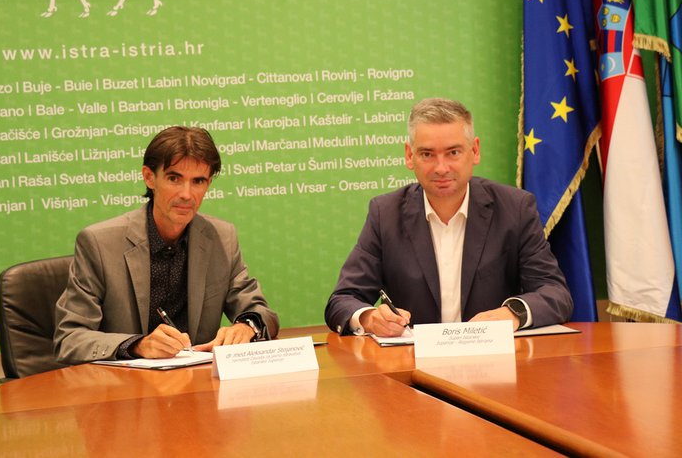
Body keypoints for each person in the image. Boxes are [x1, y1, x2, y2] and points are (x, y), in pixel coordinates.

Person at [325, 98, 572, 337]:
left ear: (474, 151)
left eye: (453, 152)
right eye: (427, 154)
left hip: (495, 358)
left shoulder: (515, 208)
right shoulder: (385, 214)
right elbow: (342, 299)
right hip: (413, 361)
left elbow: (555, 293)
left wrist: (513, 314)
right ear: (409, 155)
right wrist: (370, 318)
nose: (441, 168)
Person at [55, 126, 279, 364]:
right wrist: (138, 345)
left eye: (198, 181)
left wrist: (247, 326)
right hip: (124, 383)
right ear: (149, 177)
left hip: (198, 380)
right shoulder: (99, 243)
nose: (186, 194)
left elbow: (259, 310)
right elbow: (69, 339)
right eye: (174, 178)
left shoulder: (221, 238)